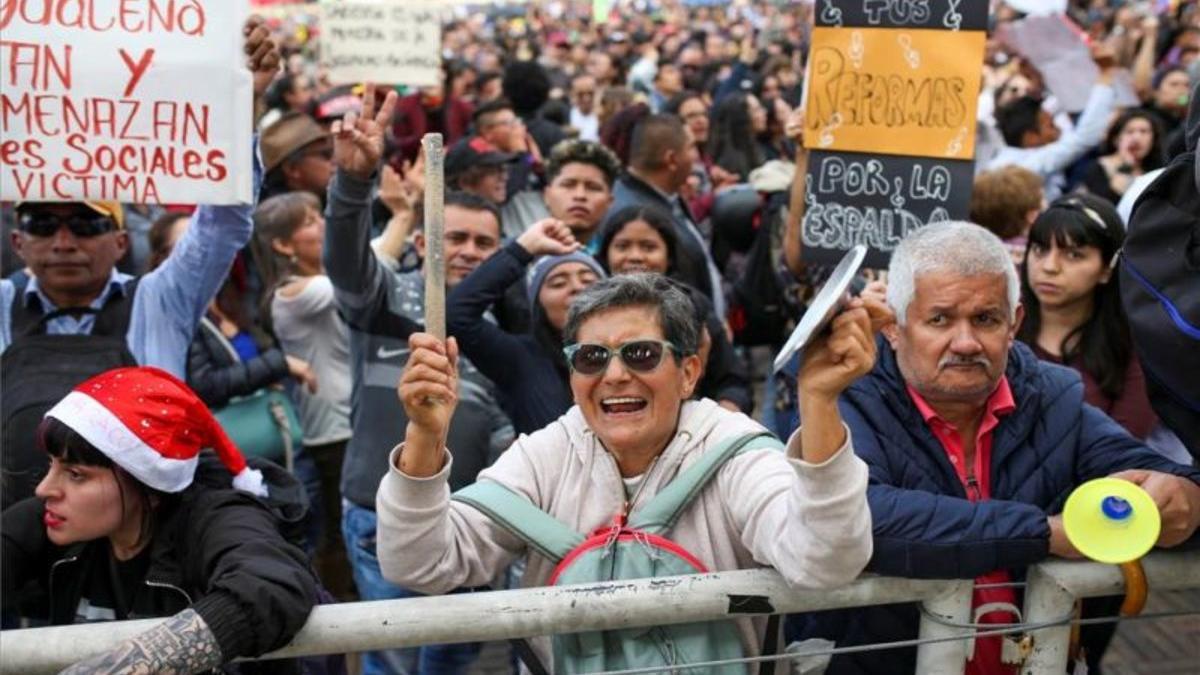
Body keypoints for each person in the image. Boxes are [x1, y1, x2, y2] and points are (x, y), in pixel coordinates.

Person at [377, 272, 882, 669]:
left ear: (687, 373)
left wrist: (818, 402)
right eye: (591, 357)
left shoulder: (736, 451)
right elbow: (420, 563)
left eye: (640, 354)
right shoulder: (546, 454)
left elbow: (826, 560)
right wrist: (424, 433)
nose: (615, 375)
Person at [789, 221, 1200, 675]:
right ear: (893, 327)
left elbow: (1153, 475)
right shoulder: (845, 400)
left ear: (1014, 323)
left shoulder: (1052, 398)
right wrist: (1047, 534)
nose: (965, 343)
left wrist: (1183, 500)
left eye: (985, 319)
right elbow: (864, 519)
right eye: (940, 319)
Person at [0, 19, 278, 508]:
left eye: (85, 227)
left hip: (145, 538)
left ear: (121, 241)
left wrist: (240, 106)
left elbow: (222, 225)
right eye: (44, 225)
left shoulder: (160, 300)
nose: (63, 242)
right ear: (18, 242)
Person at [323, 84, 513, 675]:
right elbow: (346, 264)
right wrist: (353, 185)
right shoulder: (386, 298)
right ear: (426, 241)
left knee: (453, 656)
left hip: (474, 518)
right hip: (381, 513)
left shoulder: (508, 318)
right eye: (455, 238)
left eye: (485, 242)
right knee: (398, 662)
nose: (469, 252)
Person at [1, 367, 317, 674]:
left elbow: (271, 587)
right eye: (51, 464)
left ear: (149, 486)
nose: (45, 488)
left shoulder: (217, 517)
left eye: (75, 475)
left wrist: (131, 666)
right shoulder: (56, 519)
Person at [256, 191, 355, 598]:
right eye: (310, 221)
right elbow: (372, 266)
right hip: (331, 430)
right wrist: (401, 214)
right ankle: (340, 616)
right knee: (339, 532)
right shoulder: (292, 294)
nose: (323, 224)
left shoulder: (320, 280)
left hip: (351, 418)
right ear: (282, 245)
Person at [1018, 196, 1157, 441]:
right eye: (1040, 249)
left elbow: (1122, 446)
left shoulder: (1133, 350)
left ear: (1106, 269)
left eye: (1074, 255)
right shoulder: (1000, 330)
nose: (1049, 267)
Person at [448, 219, 604, 434]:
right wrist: (522, 250)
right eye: (558, 283)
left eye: (588, 281)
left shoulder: (632, 356)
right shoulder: (522, 358)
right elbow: (457, 315)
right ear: (538, 306)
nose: (576, 288)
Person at [597, 205, 753, 413]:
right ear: (606, 253)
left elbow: (733, 383)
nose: (635, 256)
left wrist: (718, 421)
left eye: (648, 247)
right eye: (623, 246)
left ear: (669, 256)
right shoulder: (589, 311)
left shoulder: (692, 306)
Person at [608, 113, 726, 317]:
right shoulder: (633, 216)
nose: (696, 156)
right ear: (671, 159)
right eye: (691, 147)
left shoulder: (669, 196)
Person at [989, 58, 1117, 200]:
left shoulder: (1014, 157)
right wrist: (1106, 75)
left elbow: (1056, 105)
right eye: (1050, 125)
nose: (1059, 129)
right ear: (1031, 137)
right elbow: (1084, 138)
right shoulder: (1024, 168)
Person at [1081, 110, 1167, 204]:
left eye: (1143, 131)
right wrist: (1125, 168)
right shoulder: (1097, 168)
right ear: (1116, 139)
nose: (1137, 137)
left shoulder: (1157, 168)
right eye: (1130, 132)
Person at [969, 165, 1045, 267]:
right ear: (1032, 216)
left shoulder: (974, 254)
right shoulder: (1039, 258)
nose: (1047, 203)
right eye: (1043, 199)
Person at [259, 112, 333, 204]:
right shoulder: (279, 215)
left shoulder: (331, 200)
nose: (335, 161)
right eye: (326, 155)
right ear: (292, 169)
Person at [569, 73, 601, 141]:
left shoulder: (603, 117)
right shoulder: (567, 115)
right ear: (572, 95)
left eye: (590, 93)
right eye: (581, 94)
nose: (586, 98)